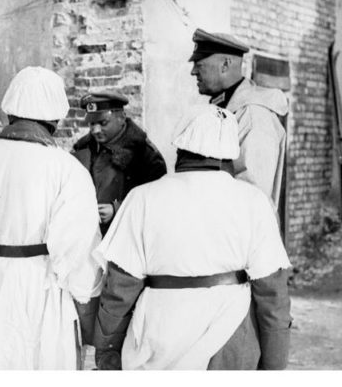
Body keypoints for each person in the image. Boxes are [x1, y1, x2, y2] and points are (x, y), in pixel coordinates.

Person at [93, 104, 292, 370]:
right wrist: (275, 366)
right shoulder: (254, 201)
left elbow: (119, 290)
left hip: (157, 336)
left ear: (180, 147)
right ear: (230, 155)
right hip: (230, 339)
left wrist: (107, 353)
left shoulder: (143, 197)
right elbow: (272, 295)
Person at [0, 67, 104, 370]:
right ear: (54, 116)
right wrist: (83, 297)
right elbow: (77, 251)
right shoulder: (67, 169)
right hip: (41, 288)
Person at [189, 28, 289, 208]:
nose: (193, 72)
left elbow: (253, 198)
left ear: (225, 64)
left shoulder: (253, 116)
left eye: (199, 64)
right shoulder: (224, 107)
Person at [72, 91, 167, 234]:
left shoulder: (144, 154)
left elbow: (157, 201)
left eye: (103, 123)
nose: (95, 130)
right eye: (92, 124)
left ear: (121, 118)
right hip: (86, 239)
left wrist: (117, 209)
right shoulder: (82, 149)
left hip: (124, 240)